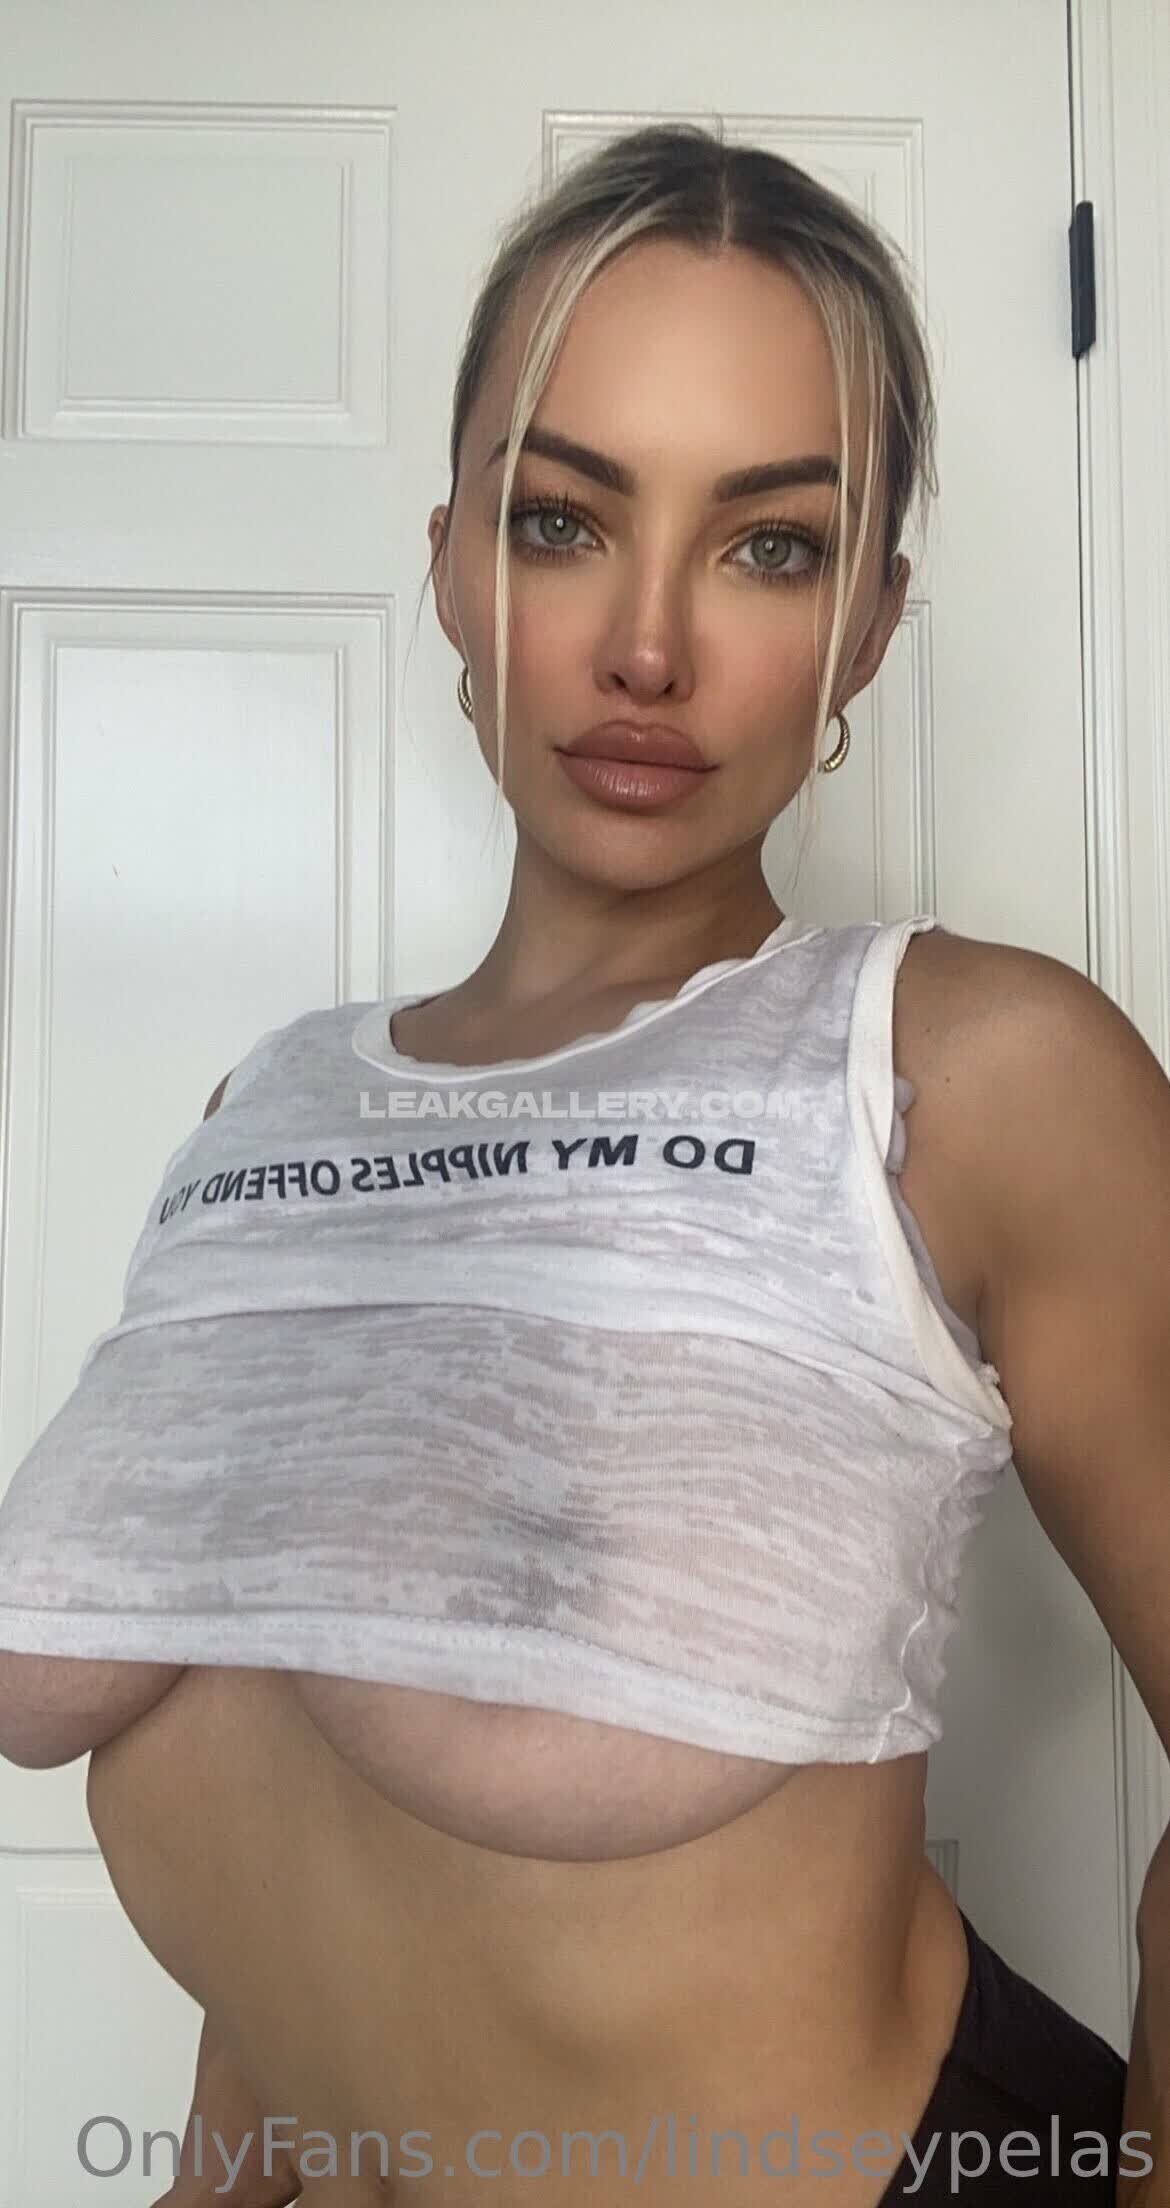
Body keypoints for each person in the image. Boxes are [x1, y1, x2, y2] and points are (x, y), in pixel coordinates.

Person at [0, 125, 1130, 2205]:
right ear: (450, 561)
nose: (647, 649)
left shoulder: (969, 1072)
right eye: (560, 520)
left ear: (869, 626)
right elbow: (298, 1844)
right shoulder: (267, 1105)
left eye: (769, 546)